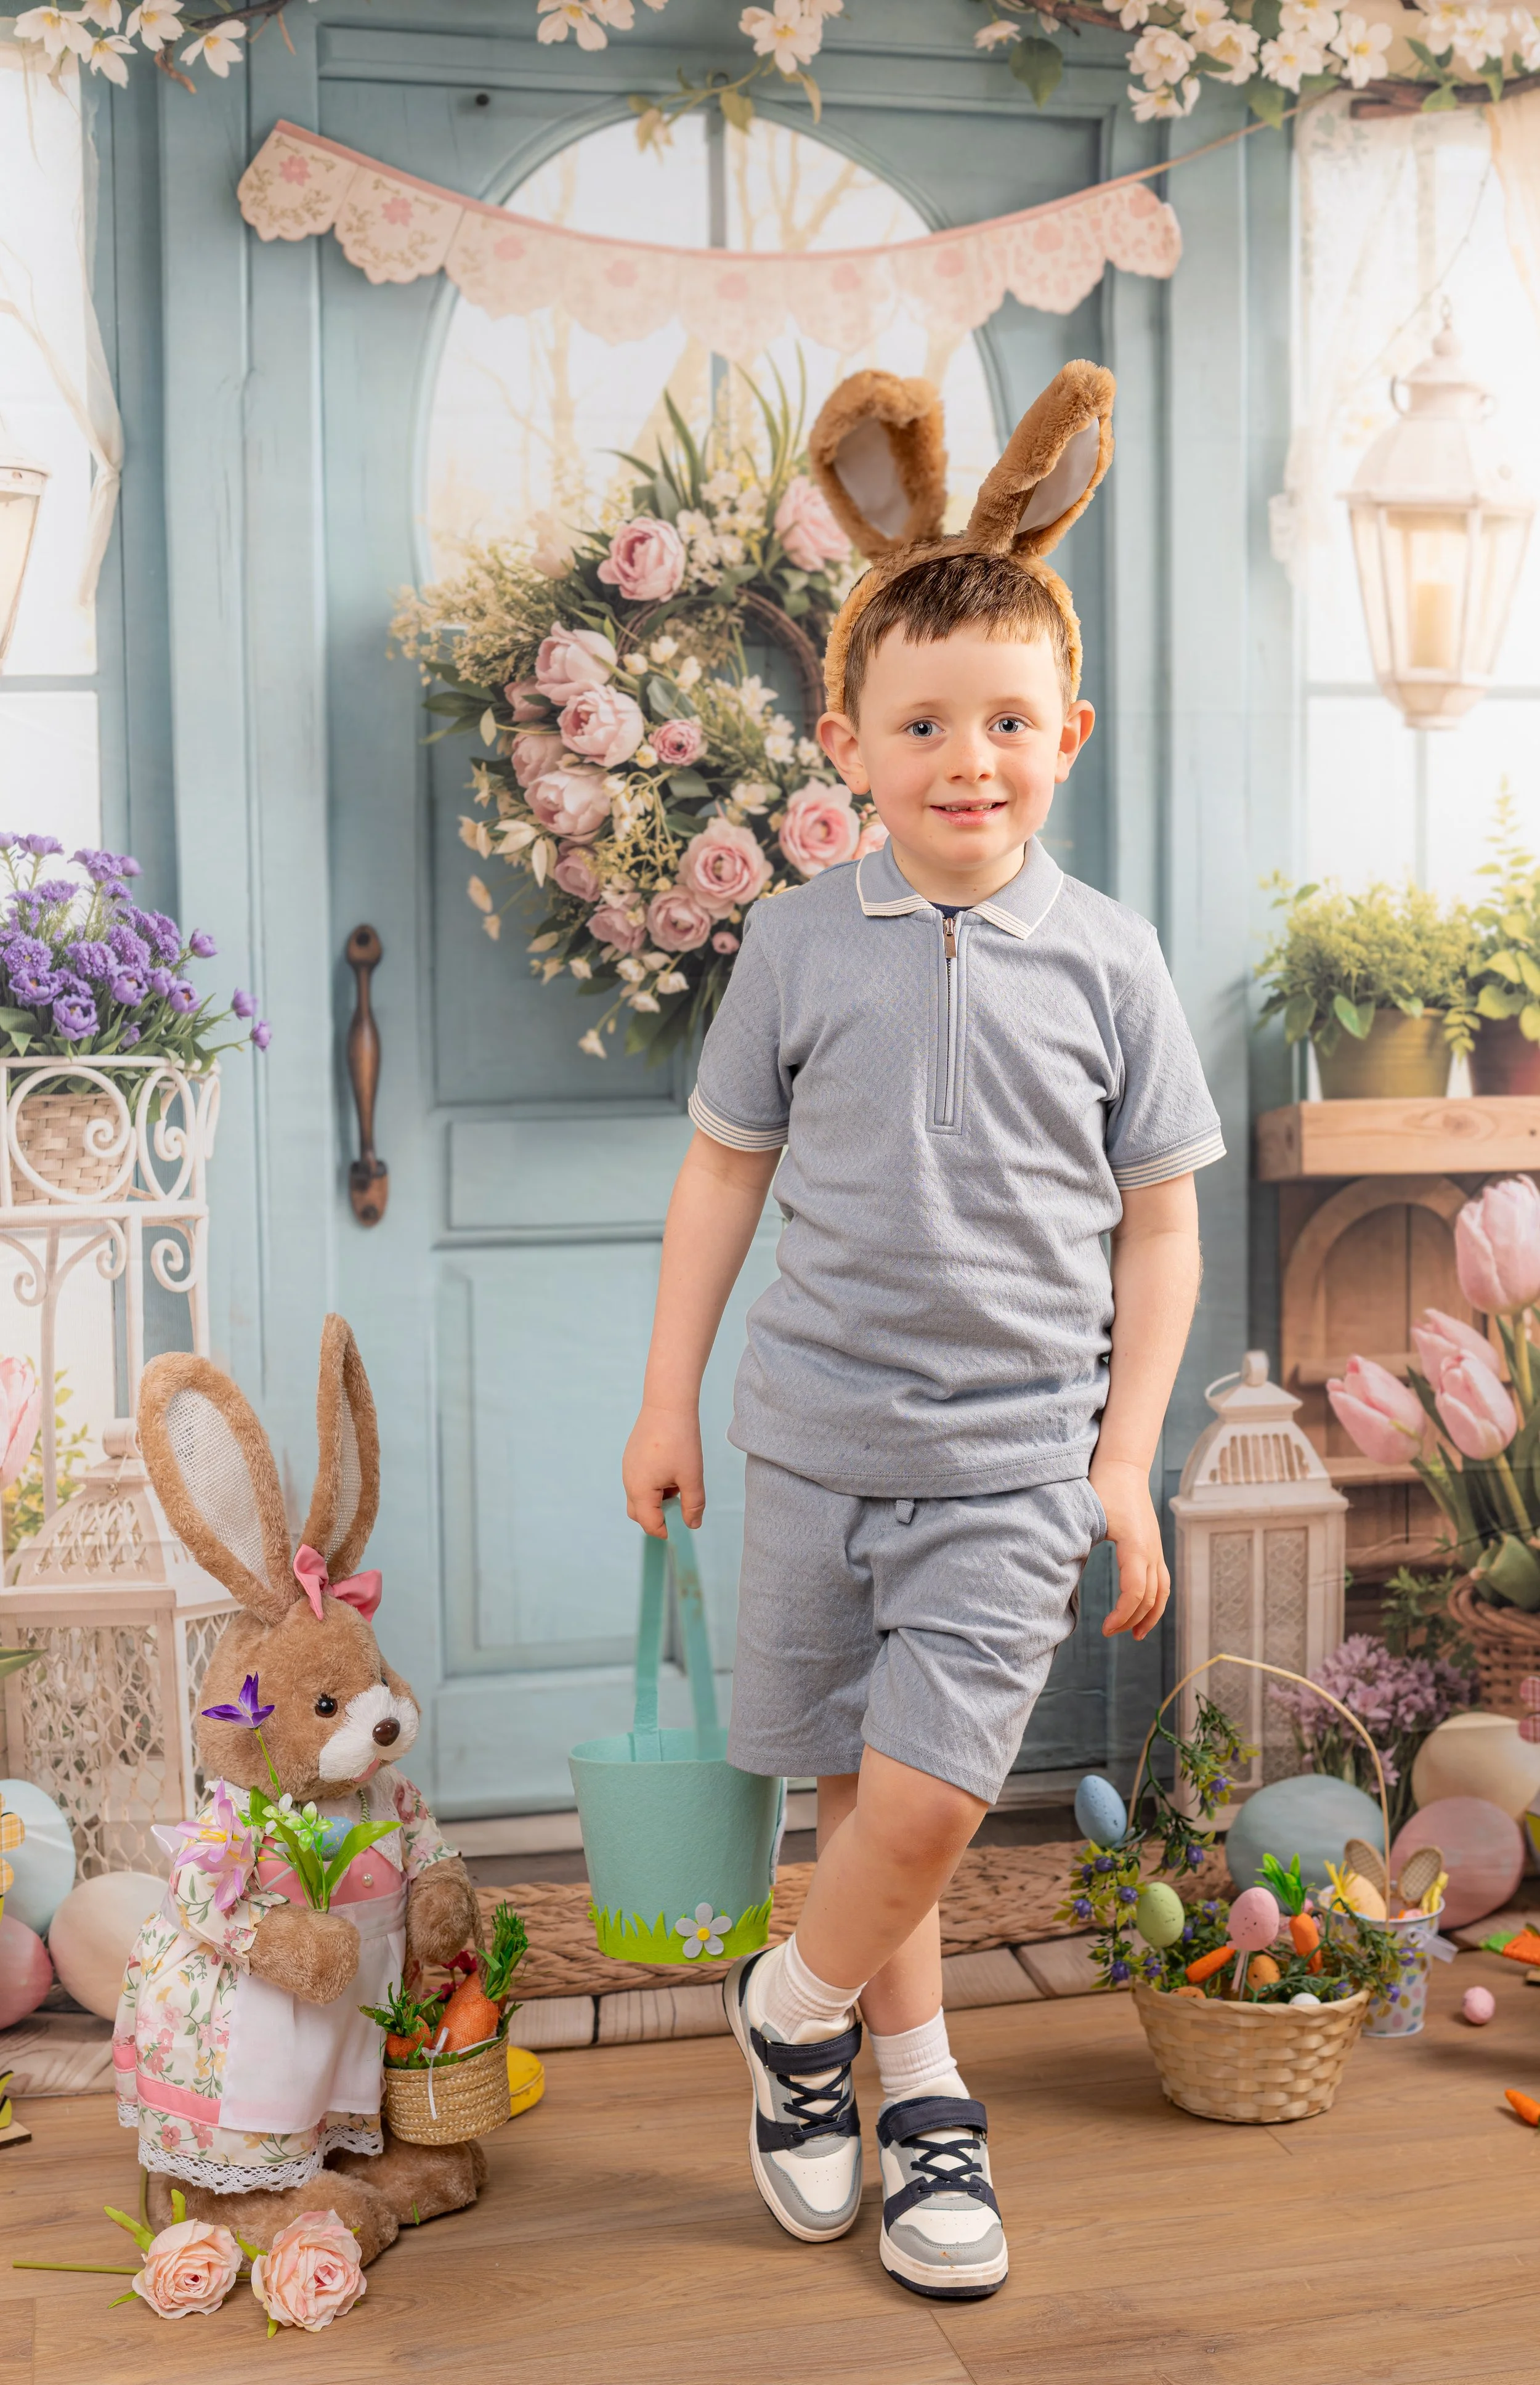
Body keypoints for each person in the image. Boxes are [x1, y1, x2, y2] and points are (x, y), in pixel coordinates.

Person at [622, 366, 1223, 2302]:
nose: (970, 758)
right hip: (807, 1435)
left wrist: (1122, 1459)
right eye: (922, 724)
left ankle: (785, 2005)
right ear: (846, 740)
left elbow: (1160, 1221)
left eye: (1007, 723)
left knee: (939, 1787)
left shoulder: (1111, 957)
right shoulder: (795, 942)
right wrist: (669, 1399)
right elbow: (722, 1174)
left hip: (1010, 1451)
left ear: (1070, 729)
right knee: (845, 1782)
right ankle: (906, 2083)